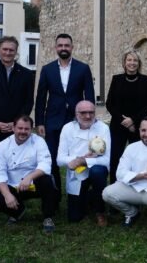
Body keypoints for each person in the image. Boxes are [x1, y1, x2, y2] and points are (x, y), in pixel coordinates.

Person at [0, 36, 35, 218]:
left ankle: (14, 203)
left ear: (16, 52)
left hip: (16, 131)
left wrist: (15, 124)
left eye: (11, 50)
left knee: (17, 167)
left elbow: (28, 102)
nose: (8, 53)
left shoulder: (26, 74)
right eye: (5, 49)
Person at [35, 33, 95, 197]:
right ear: (56, 48)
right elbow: (41, 97)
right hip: (52, 120)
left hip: (77, 121)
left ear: (72, 47)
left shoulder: (83, 68)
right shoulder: (47, 70)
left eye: (66, 45)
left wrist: (90, 119)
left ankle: (79, 193)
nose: (63, 48)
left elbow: (89, 95)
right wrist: (39, 122)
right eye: (60, 45)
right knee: (52, 159)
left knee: (80, 157)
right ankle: (54, 196)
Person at [0, 115, 57, 233]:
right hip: (13, 184)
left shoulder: (39, 141)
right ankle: (18, 212)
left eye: (26, 129)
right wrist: (7, 194)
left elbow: (45, 164)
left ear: (31, 130)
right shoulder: (2, 146)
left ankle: (48, 217)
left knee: (47, 181)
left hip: (33, 182)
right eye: (20, 128)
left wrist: (29, 177)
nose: (23, 132)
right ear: (13, 128)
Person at [56, 101, 111, 225]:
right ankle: (90, 197)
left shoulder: (103, 128)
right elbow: (59, 159)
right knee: (74, 218)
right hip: (77, 174)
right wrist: (77, 160)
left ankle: (100, 211)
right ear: (76, 114)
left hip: (96, 170)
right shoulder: (67, 128)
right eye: (83, 113)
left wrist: (84, 161)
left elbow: (107, 160)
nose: (87, 116)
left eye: (91, 112)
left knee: (97, 171)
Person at [105, 50, 147, 184]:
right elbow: (110, 104)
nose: (132, 63)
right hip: (118, 125)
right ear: (124, 63)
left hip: (138, 127)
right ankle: (115, 189)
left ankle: (138, 188)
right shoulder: (116, 79)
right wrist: (124, 121)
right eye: (129, 60)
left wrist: (133, 120)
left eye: (135, 61)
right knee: (115, 158)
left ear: (139, 63)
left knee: (138, 159)